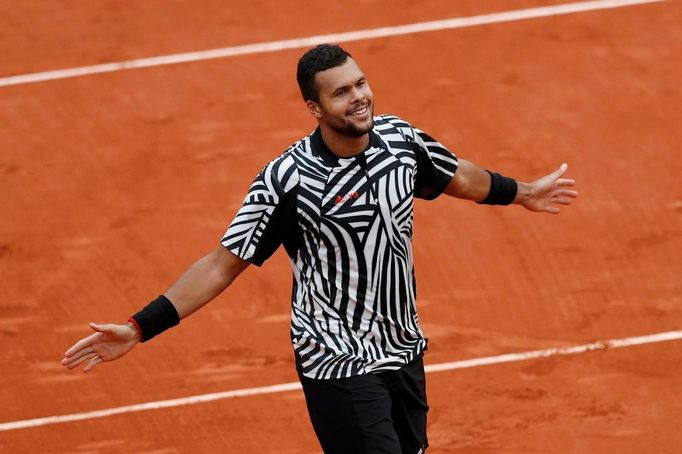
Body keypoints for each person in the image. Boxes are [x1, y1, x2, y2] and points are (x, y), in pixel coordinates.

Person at [62, 44, 577, 453]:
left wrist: (523, 192)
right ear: (315, 107)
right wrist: (138, 327)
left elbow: (456, 176)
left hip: (402, 345)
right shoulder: (287, 181)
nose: (358, 98)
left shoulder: (402, 142)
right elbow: (221, 265)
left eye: (360, 84)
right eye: (341, 93)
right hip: (336, 358)